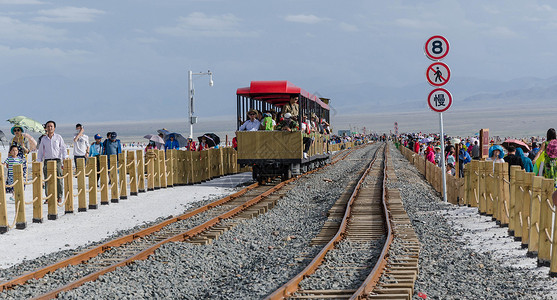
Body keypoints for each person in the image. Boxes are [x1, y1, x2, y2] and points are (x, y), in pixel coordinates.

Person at [37, 120, 67, 203]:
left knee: (58, 179)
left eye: (51, 126)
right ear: (46, 128)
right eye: (48, 126)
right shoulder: (43, 139)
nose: (50, 128)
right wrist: (38, 161)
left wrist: (64, 159)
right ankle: (48, 196)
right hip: (47, 161)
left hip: (57, 160)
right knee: (47, 179)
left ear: (54, 128)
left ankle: (59, 196)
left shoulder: (58, 137)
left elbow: (63, 148)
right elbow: (40, 151)